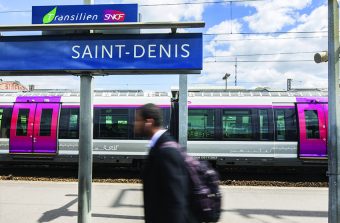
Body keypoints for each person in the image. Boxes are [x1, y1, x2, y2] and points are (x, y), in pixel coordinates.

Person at [134, 103, 198, 223]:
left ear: (149, 122)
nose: (135, 124)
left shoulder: (166, 152)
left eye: (138, 120)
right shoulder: (158, 146)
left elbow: (176, 202)